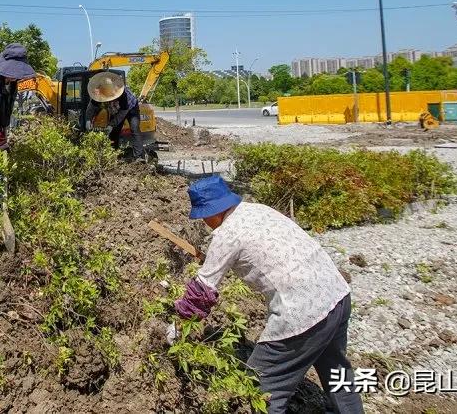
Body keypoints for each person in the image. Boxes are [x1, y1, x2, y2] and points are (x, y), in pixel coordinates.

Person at [172, 175, 363, 414]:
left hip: (303, 313)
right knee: (337, 373)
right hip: (336, 293)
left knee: (258, 389)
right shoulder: (259, 210)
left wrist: (177, 327)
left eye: (203, 217)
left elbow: (201, 291)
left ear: (212, 212)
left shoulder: (227, 235)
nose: (204, 222)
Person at [85, 71, 143, 160]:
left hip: (130, 108)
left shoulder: (123, 95)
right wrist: (88, 120)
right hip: (115, 108)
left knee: (134, 129)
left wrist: (111, 124)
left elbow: (123, 112)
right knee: (114, 132)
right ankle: (113, 156)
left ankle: (138, 157)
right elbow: (91, 107)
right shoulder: (100, 91)